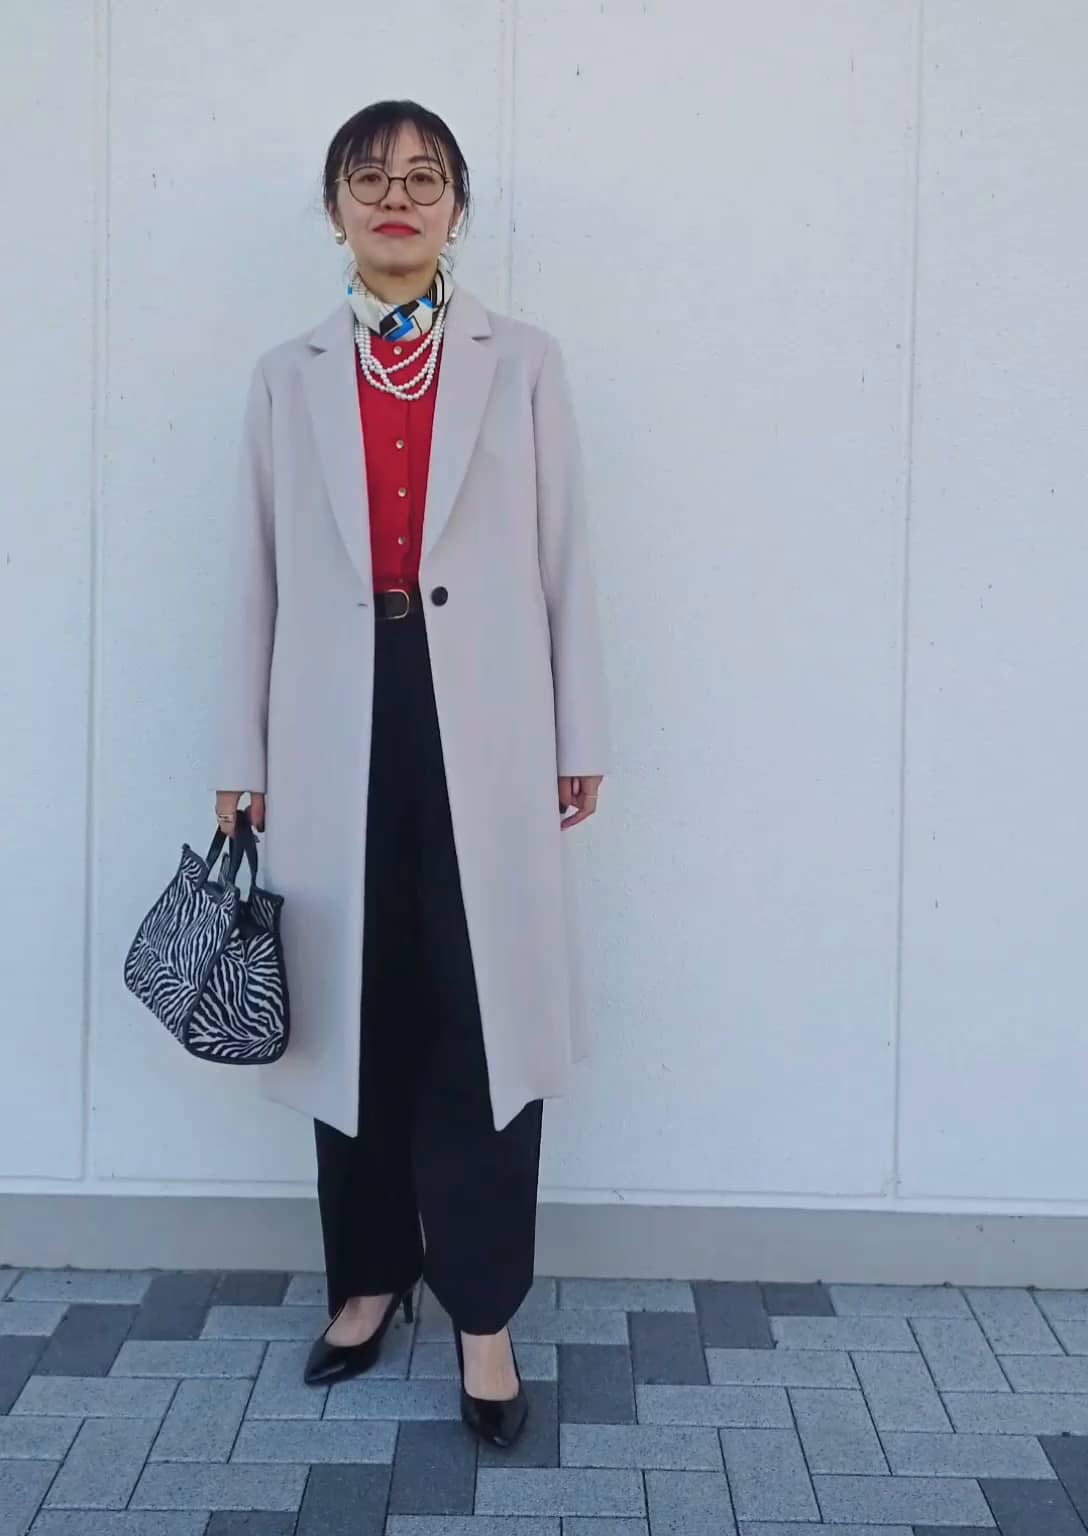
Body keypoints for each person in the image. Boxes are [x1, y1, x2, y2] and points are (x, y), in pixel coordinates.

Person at [212, 99, 610, 1450]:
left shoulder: (523, 361)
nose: (398, 196)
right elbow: (254, 571)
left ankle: (484, 1310)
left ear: (457, 209)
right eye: (370, 177)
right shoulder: (289, 375)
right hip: (334, 720)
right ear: (335, 208)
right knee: (354, 1006)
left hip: (484, 722)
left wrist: (579, 731)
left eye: (424, 178)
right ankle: (371, 1277)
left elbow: (566, 554)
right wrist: (239, 753)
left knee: (482, 1014)